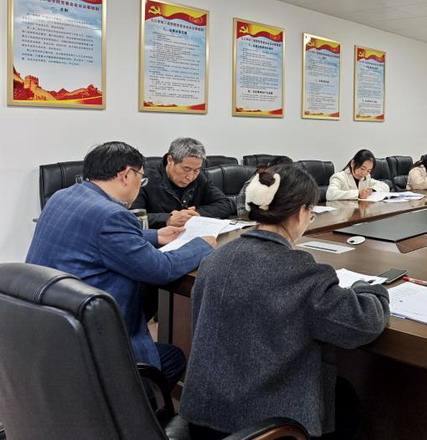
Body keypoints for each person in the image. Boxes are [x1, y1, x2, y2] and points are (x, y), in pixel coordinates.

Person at [181, 164, 390, 439]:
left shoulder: (215, 258)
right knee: (346, 403)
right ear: (300, 211)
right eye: (311, 213)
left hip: (202, 416)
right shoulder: (300, 271)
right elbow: (364, 323)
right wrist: (371, 289)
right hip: (266, 427)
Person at [26, 141, 216, 390]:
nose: (141, 185)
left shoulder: (62, 196)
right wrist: (202, 245)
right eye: (141, 178)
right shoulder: (112, 215)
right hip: (95, 340)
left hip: (52, 329)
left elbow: (97, 234)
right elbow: (161, 269)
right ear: (126, 175)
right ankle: (131, 409)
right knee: (173, 358)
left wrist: (156, 236)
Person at [131, 137, 232, 228]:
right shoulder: (145, 179)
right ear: (170, 160)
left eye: (196, 170)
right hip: (157, 238)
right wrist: (167, 219)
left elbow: (226, 204)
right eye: (186, 169)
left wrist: (198, 213)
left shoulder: (199, 177)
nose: (191, 177)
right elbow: (132, 216)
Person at [326, 149, 390, 200]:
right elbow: (330, 194)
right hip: (344, 211)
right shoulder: (339, 177)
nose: (364, 173)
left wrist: (372, 190)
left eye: (368, 171)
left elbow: (385, 186)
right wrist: (358, 194)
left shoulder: (366, 178)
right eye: (362, 168)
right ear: (353, 163)